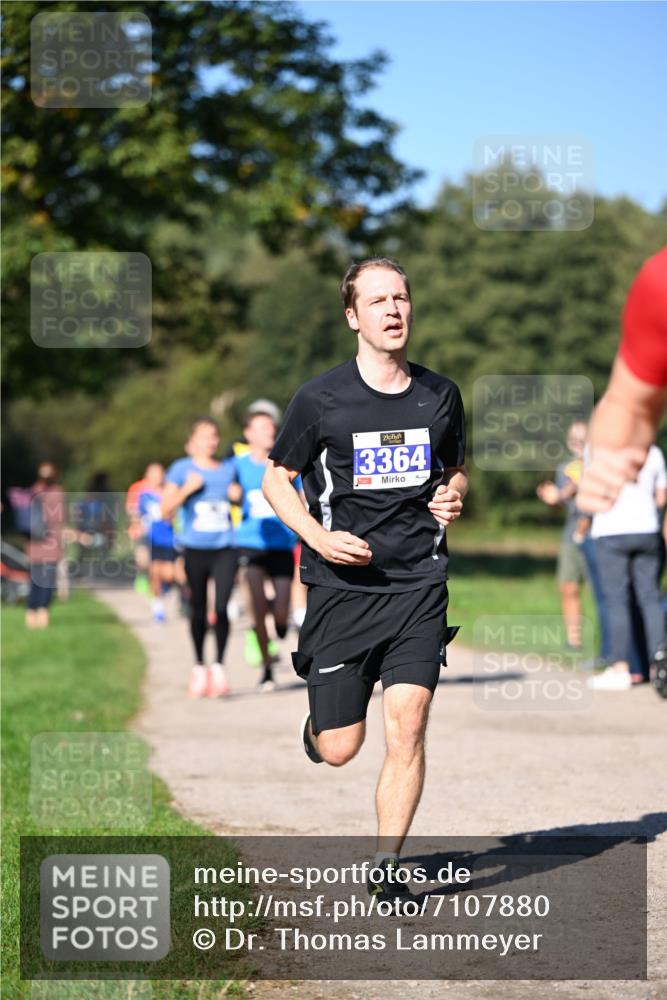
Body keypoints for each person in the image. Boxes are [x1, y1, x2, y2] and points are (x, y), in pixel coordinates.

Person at [262, 257, 466, 905]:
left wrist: (452, 496)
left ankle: (385, 867)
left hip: (417, 585)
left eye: (400, 297)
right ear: (352, 317)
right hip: (341, 589)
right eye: (377, 300)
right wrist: (316, 537)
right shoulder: (319, 398)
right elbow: (275, 478)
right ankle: (319, 732)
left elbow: (454, 470)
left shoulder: (440, 395)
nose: (392, 309)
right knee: (343, 747)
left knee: (407, 722)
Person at [162, 418, 238, 698]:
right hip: (195, 548)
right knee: (197, 606)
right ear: (192, 442)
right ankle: (198, 666)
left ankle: (218, 665)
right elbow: (164, 510)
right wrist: (186, 490)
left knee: (221, 606)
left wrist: (236, 496)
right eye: (205, 437)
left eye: (214, 436)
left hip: (225, 546)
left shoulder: (229, 469)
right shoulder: (181, 469)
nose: (211, 441)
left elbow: (242, 499)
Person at [231, 406, 302, 691]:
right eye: (262, 428)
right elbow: (225, 491)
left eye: (272, 428)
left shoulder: (284, 462)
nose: (269, 432)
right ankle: (267, 667)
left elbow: (299, 495)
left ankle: (279, 624)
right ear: (249, 434)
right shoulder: (238, 465)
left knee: (282, 612)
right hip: (249, 542)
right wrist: (231, 495)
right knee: (257, 608)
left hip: (281, 543)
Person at [587, 445, 666, 691]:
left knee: (616, 601)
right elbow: (661, 497)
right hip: (647, 529)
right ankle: (658, 667)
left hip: (612, 529)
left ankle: (620, 668)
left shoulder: (599, 449)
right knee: (651, 600)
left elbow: (591, 493)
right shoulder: (652, 451)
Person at [536, 422, 589, 650]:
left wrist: (566, 491)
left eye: (582, 437)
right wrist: (551, 500)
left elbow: (577, 487)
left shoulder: (599, 463)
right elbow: (561, 504)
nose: (577, 442)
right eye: (573, 438)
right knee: (568, 587)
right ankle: (574, 640)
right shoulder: (563, 468)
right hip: (570, 534)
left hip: (597, 535)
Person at [134, 463, 183, 623]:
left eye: (160, 473)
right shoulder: (144, 496)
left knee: (173, 574)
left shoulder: (170, 492)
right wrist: (139, 536)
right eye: (153, 474)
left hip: (171, 539)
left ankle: (177, 595)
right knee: (155, 573)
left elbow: (176, 513)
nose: (157, 477)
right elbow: (138, 517)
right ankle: (158, 607)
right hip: (152, 539)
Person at [24, 462, 65, 629]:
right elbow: (60, 520)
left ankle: (30, 615)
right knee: (46, 582)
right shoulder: (58, 493)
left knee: (34, 581)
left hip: (33, 544)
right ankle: (42, 616)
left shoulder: (32, 492)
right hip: (50, 544)